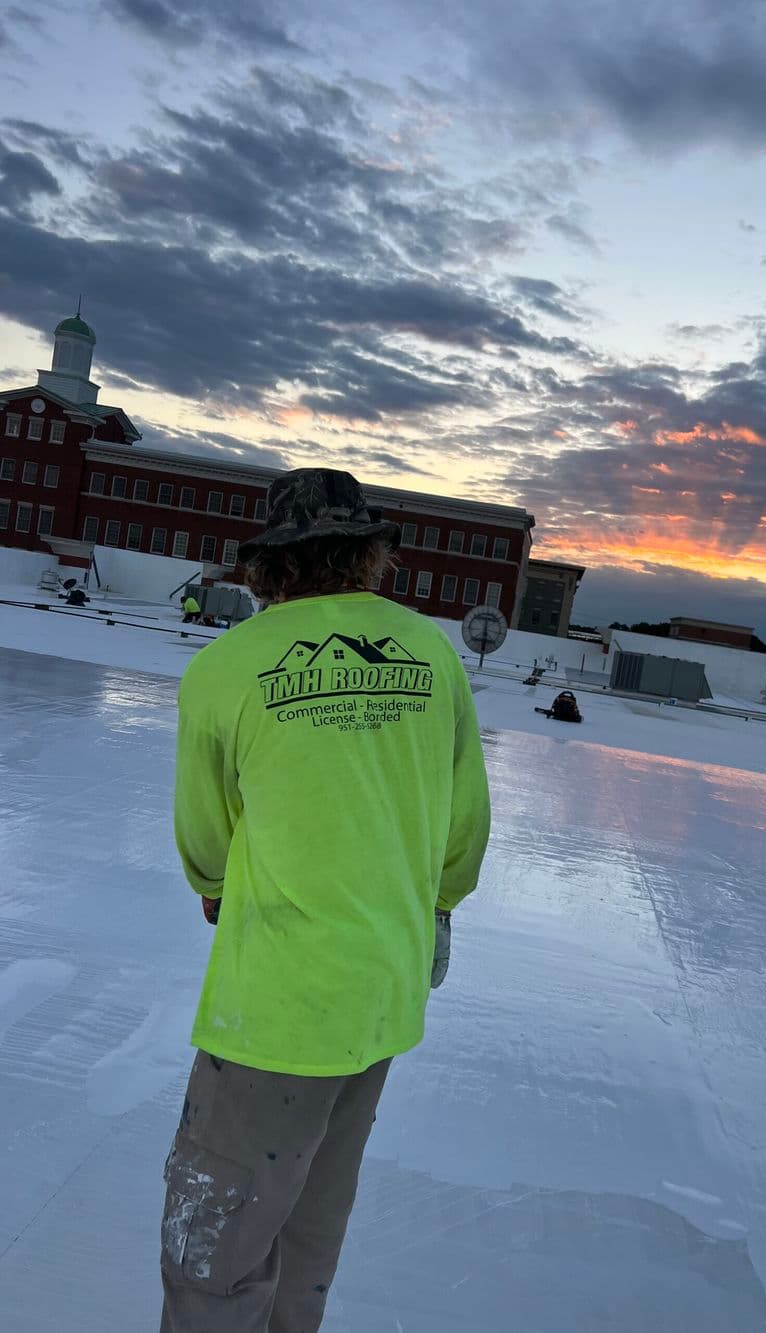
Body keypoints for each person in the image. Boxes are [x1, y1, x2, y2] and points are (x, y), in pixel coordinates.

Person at [160, 468, 491, 1333]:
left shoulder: (226, 666)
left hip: (273, 1013)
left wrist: (216, 888)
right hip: (382, 996)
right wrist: (439, 907)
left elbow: (205, 838)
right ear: (370, 555)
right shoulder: (432, 656)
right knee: (311, 1226)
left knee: (216, 1243)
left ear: (272, 564)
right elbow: (463, 826)